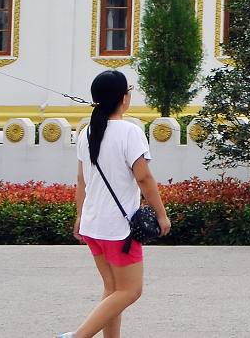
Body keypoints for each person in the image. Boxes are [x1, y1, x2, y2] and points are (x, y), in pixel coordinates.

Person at [61, 68, 170, 338]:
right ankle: (76, 337)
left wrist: (79, 217)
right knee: (131, 291)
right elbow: (144, 178)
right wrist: (162, 215)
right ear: (123, 98)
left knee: (112, 290)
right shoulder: (129, 132)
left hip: (93, 224)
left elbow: (81, 180)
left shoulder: (87, 132)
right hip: (118, 229)